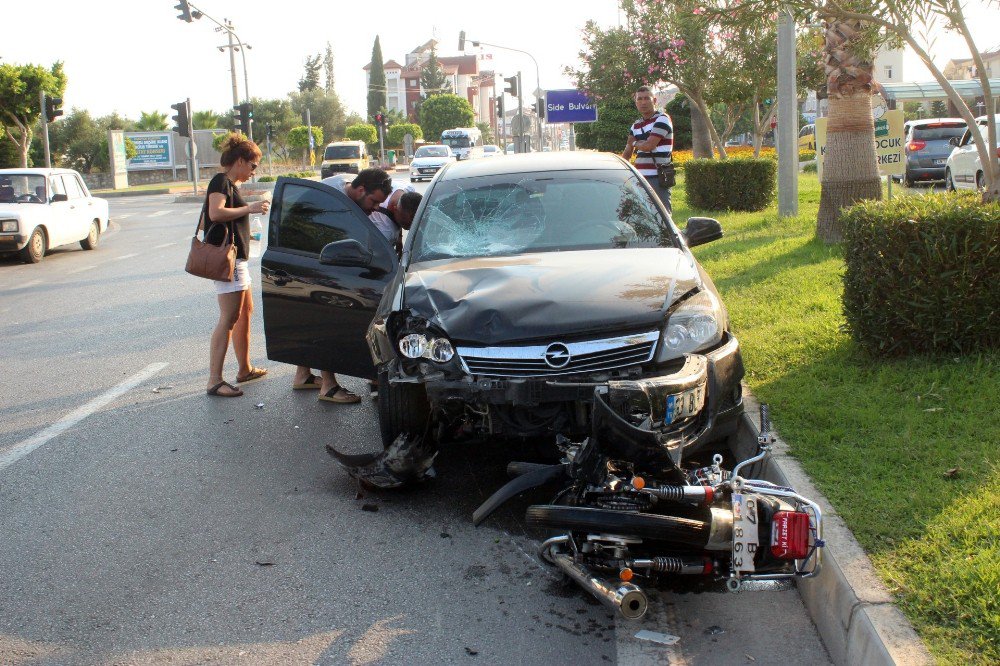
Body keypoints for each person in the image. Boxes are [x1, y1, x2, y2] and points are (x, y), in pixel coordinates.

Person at [293, 168, 394, 403]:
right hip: (311, 261)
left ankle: (303, 375)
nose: (376, 208)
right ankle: (328, 386)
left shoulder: (345, 192)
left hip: (300, 257)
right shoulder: (331, 199)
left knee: (312, 319)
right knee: (326, 320)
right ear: (360, 190)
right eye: (374, 201)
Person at [204, 133, 270, 397]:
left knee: (245, 312)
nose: (254, 172)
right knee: (229, 318)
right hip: (228, 261)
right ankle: (214, 380)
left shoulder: (231, 185)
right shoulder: (221, 181)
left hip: (237, 260)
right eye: (253, 166)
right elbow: (215, 213)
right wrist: (249, 209)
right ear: (240, 161)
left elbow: (216, 219)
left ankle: (244, 368)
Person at [623, 86, 674, 214]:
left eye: (647, 98)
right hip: (639, 178)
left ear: (654, 100)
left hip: (657, 177)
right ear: (636, 103)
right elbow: (627, 154)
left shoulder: (662, 119)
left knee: (662, 215)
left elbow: (649, 146)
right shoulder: (635, 125)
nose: (643, 102)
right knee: (642, 216)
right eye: (639, 99)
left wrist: (635, 142)